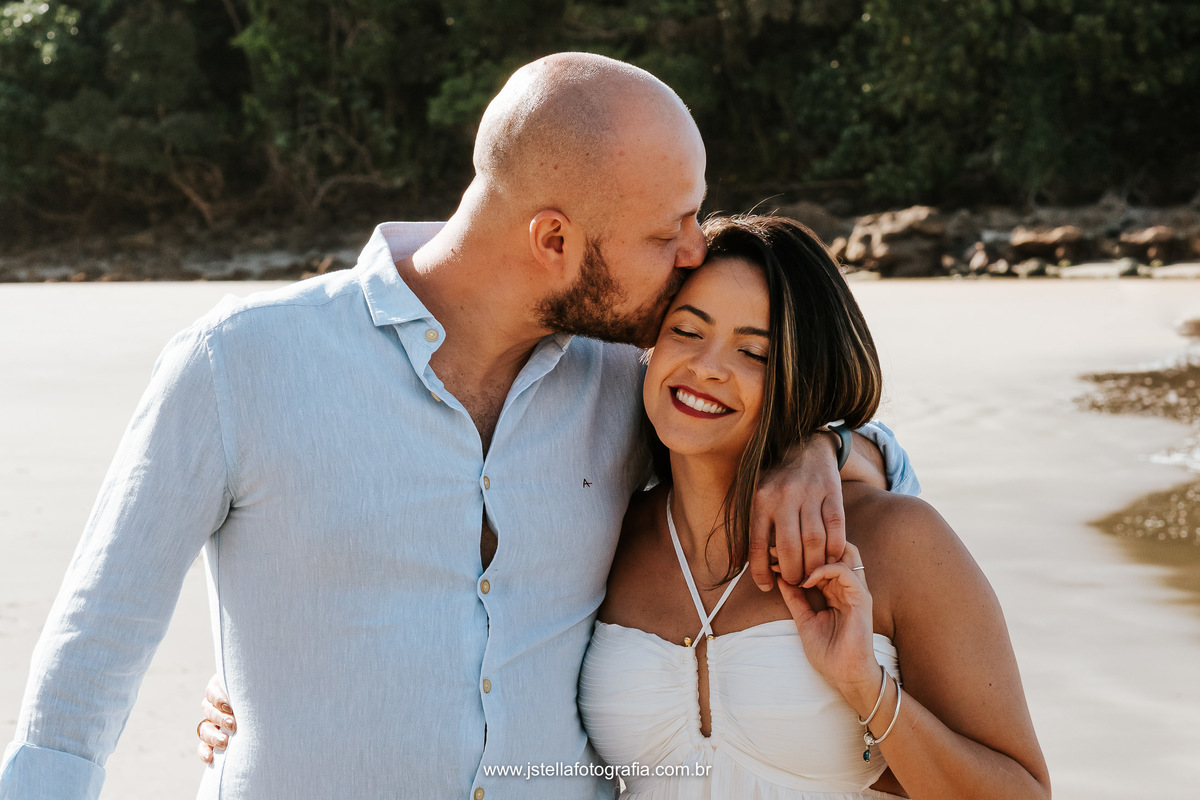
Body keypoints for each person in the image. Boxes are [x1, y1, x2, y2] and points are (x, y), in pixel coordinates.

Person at [0, 56, 915, 800]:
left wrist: (819, 448)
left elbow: (888, 474)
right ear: (553, 241)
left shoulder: (625, 383)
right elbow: (85, 670)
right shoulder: (239, 364)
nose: (693, 254)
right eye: (666, 232)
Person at [579, 215, 1050, 797]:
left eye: (754, 352)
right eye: (687, 331)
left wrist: (864, 685)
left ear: (805, 375)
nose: (707, 367)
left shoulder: (896, 541)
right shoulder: (608, 536)